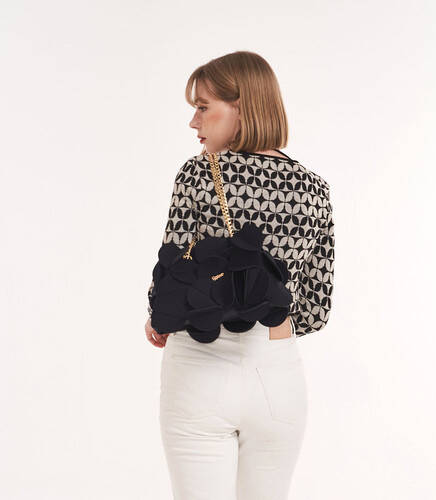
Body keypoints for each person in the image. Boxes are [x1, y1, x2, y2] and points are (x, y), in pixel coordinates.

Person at [144, 51, 335, 500]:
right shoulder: (316, 189)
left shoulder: (197, 173)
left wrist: (159, 315)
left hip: (199, 367)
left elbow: (169, 273)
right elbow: (315, 310)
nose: (194, 122)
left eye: (203, 107)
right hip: (276, 379)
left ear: (242, 107)